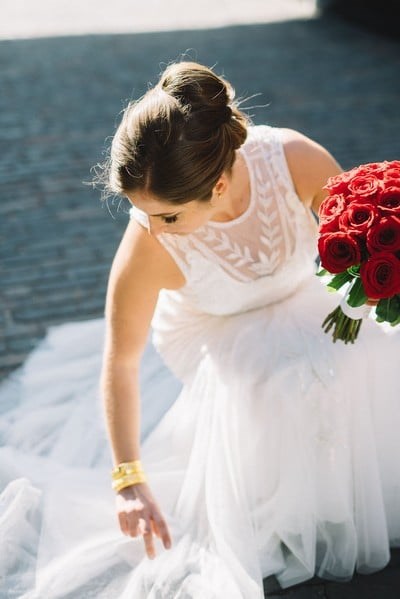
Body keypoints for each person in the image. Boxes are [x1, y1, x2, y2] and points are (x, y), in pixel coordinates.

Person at [0, 61, 399, 598]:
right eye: (141, 211)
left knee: (371, 353)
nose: (149, 226)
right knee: (268, 386)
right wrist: (128, 481)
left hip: (302, 292)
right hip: (217, 327)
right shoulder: (148, 247)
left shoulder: (295, 160)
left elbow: (357, 237)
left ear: (216, 184)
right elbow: (120, 361)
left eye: (166, 216)